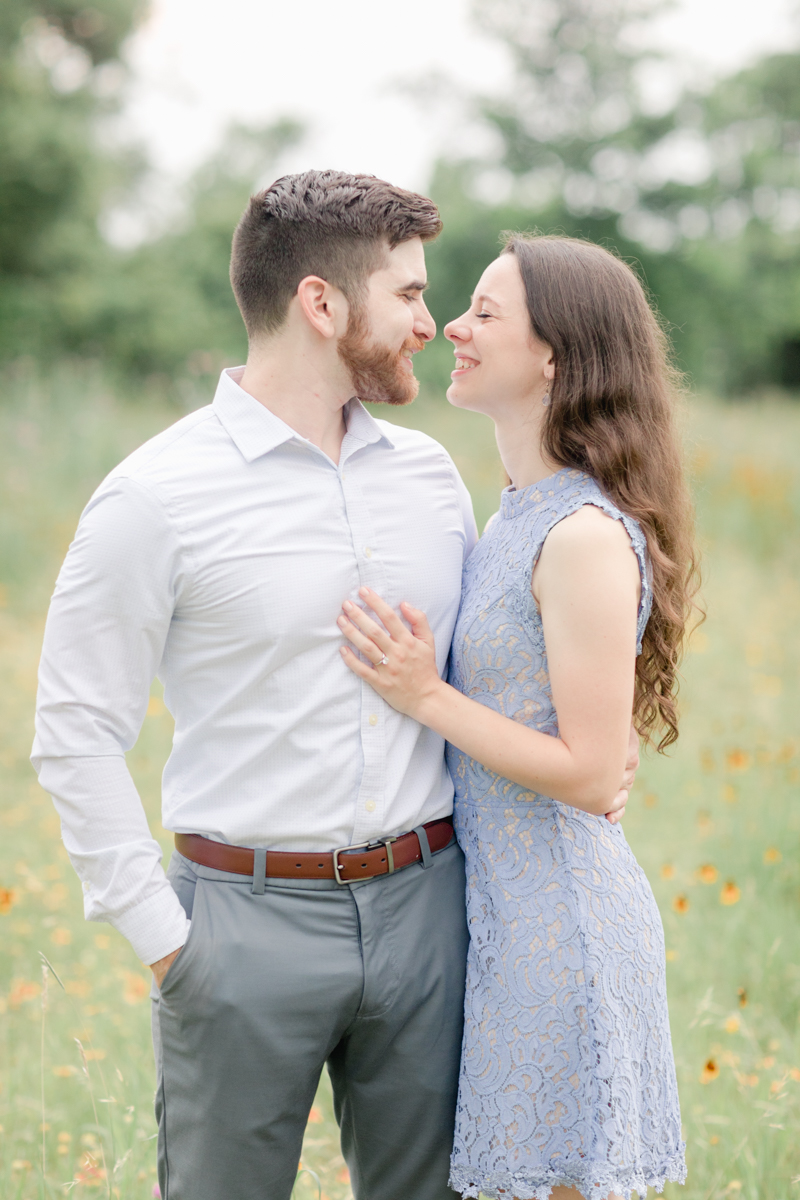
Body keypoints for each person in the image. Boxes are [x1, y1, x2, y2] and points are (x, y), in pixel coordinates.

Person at [31, 173, 637, 1200]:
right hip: (240, 927)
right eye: (406, 293)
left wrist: (597, 744)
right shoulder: (154, 496)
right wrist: (166, 942)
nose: (427, 322)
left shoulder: (430, 479)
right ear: (322, 304)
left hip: (431, 915)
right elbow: (75, 731)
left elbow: (498, 654)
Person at [338, 234, 695, 1200]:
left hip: (560, 937)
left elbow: (587, 770)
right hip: (498, 923)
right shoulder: (515, 512)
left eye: (485, 313)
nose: (451, 324)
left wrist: (424, 694)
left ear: (555, 355)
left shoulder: (581, 535)